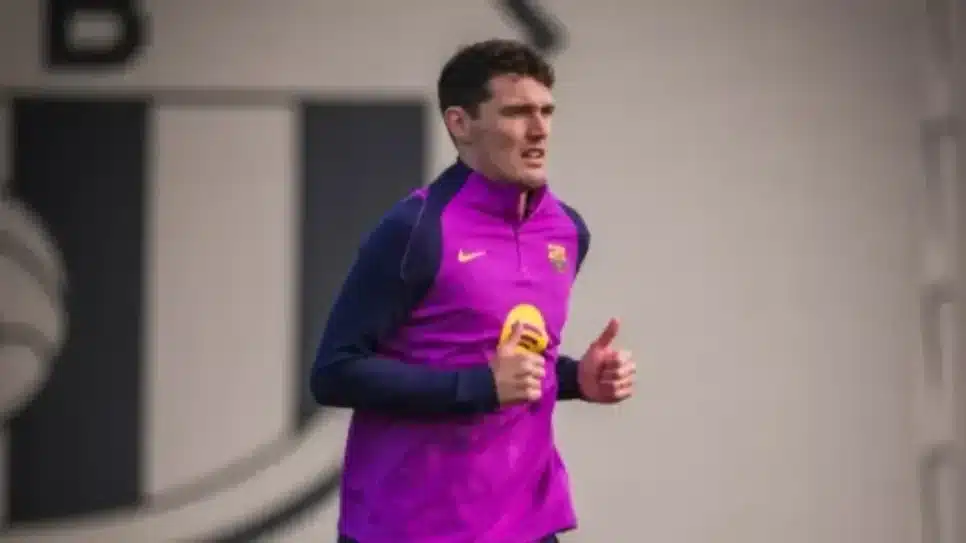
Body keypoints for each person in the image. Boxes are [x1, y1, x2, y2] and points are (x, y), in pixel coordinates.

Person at [310, 38, 636, 543]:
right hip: (409, 528)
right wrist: (479, 387)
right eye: (516, 113)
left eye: (546, 111)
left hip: (527, 524)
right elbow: (335, 373)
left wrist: (576, 379)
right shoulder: (415, 230)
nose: (539, 130)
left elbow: (504, 357)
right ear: (460, 123)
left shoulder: (567, 231)